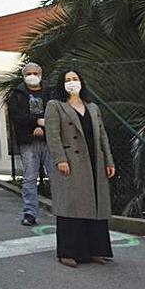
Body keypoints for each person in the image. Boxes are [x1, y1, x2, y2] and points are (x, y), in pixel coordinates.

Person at [45, 69, 116, 268]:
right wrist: (60, 159)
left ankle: (96, 250)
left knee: (96, 204)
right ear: (62, 84)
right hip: (71, 161)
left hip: (95, 161)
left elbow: (103, 136)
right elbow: (53, 135)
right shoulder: (55, 105)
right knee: (71, 205)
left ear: (81, 82)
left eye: (75, 79)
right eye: (67, 80)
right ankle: (68, 252)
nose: (72, 82)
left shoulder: (93, 107)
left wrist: (109, 161)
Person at [7, 62, 53, 226]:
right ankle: (30, 213)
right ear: (24, 76)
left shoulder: (50, 92)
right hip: (28, 141)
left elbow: (56, 114)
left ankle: (63, 212)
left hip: (50, 141)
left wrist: (45, 129)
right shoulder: (17, 94)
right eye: (28, 73)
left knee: (57, 177)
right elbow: (16, 115)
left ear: (41, 75)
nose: (32, 76)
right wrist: (36, 123)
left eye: (35, 73)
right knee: (29, 179)